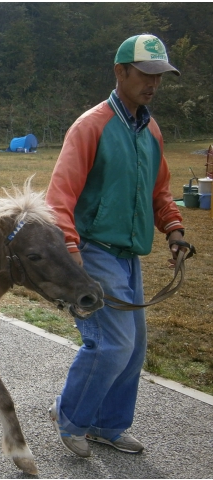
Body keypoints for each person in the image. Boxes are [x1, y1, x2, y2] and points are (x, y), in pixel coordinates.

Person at [45, 34, 187, 458]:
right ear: (120, 72)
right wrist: (72, 259)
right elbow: (59, 199)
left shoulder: (151, 129)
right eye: (145, 73)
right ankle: (71, 418)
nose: (153, 83)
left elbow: (160, 191)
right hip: (93, 250)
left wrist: (174, 229)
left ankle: (108, 425)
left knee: (133, 348)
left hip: (129, 257)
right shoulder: (91, 126)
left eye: (159, 76)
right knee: (112, 344)